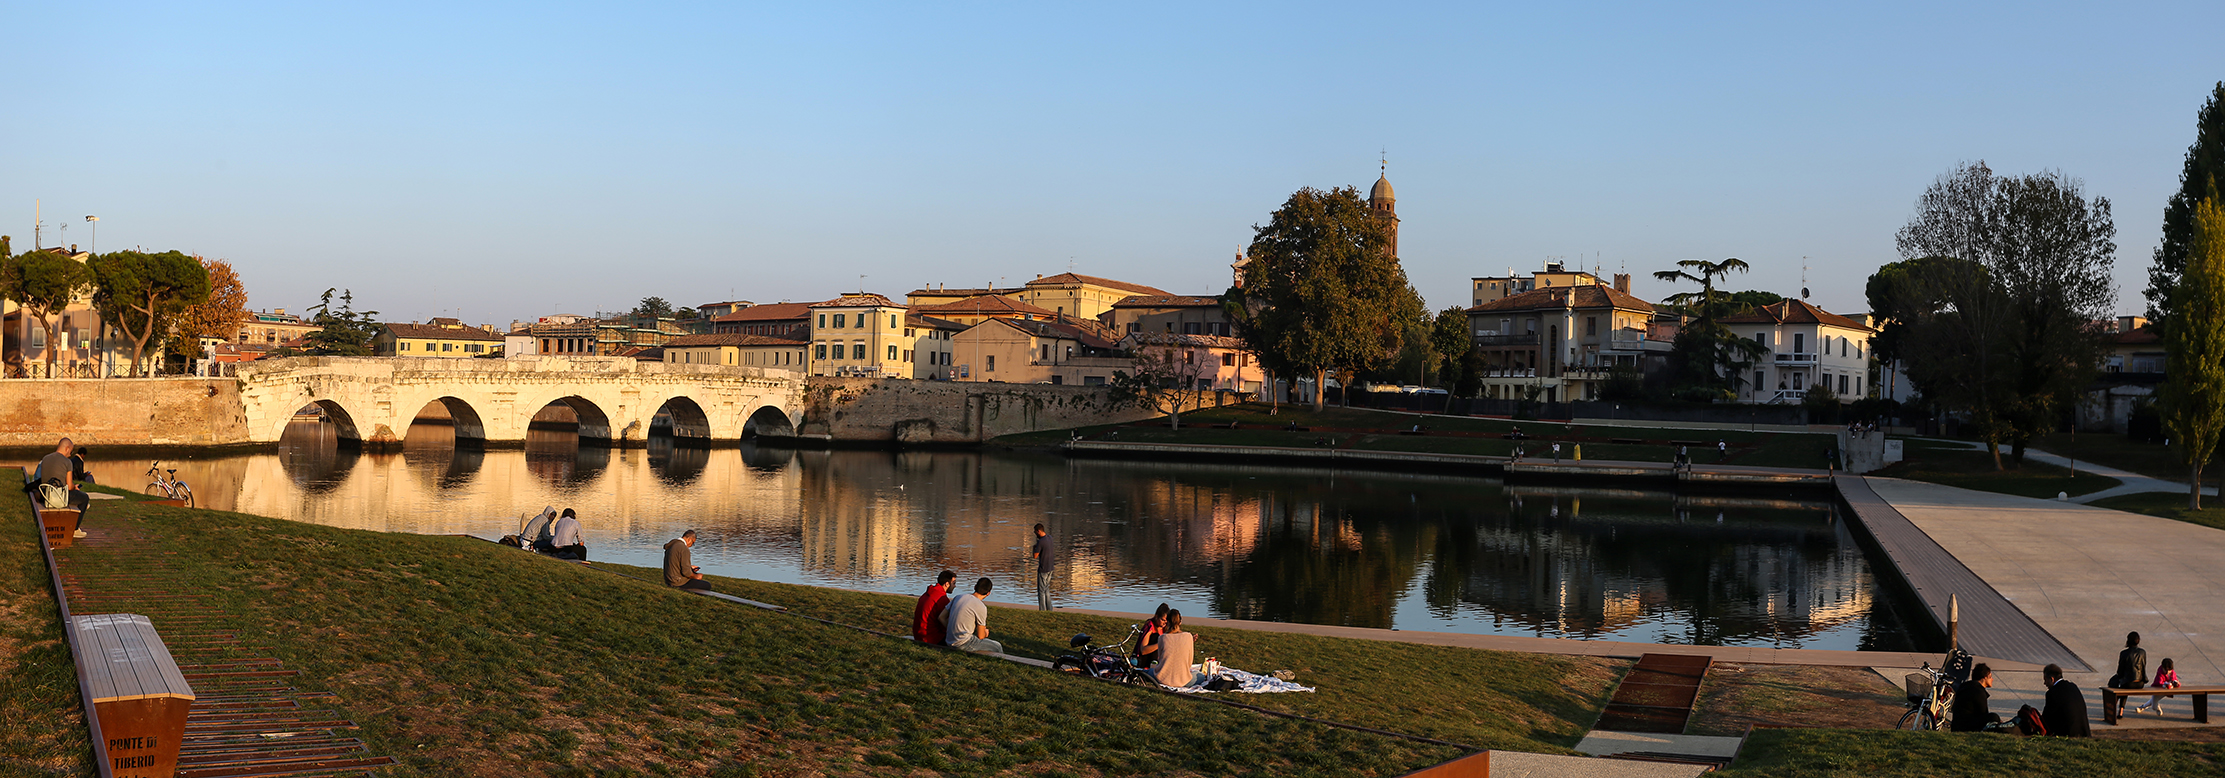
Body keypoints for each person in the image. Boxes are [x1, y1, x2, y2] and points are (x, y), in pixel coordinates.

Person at [33, 438, 90, 538]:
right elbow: (69, 485)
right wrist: (74, 487)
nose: (70, 454)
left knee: (76, 496)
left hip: (45, 493)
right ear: (67, 448)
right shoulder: (67, 462)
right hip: (58, 496)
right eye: (71, 451)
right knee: (84, 498)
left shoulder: (45, 458)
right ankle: (75, 529)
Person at [945, 577, 1002, 654]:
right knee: (997, 646)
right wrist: (985, 633)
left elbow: (941, 617)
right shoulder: (981, 606)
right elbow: (981, 636)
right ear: (988, 593)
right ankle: (999, 661)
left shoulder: (958, 597)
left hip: (948, 640)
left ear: (975, 587)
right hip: (963, 643)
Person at [2039, 663, 2091, 737]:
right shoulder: (2073, 686)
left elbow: (2047, 718)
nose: (2044, 683)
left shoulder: (2052, 693)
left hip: (2067, 734)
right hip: (2083, 732)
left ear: (2052, 679)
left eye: (2045, 680)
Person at [1153, 609, 1198, 688]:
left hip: (1162, 678)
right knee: (1200, 676)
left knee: (1147, 672)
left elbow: (1160, 659)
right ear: (1180, 622)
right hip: (1183, 680)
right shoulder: (1188, 636)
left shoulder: (1162, 638)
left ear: (1168, 622)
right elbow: (1189, 662)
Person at [1951, 663, 2001, 732]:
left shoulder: (1966, 686)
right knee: (1994, 717)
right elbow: (1983, 713)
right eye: (1990, 677)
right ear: (1984, 677)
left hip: (1956, 725)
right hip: (1965, 727)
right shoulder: (1979, 691)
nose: (1992, 679)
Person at [912, 570, 956, 645]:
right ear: (947, 584)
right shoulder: (941, 598)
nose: (955, 586)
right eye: (954, 583)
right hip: (931, 638)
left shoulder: (928, 593)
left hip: (918, 634)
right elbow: (943, 623)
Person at [2111, 631, 2149, 718]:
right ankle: (2119, 710)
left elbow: (2120, 672)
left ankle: (2119, 711)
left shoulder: (2124, 653)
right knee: (2124, 684)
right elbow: (2143, 667)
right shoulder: (2142, 652)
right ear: (2138, 640)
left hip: (2128, 683)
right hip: (2140, 683)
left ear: (2128, 641)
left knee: (2121, 684)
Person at [1131, 603, 1170, 667]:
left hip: (1158, 659)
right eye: (1162, 620)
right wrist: (1161, 643)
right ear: (1156, 616)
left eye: (1166, 621)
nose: (1164, 623)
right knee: (1156, 636)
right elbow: (1143, 650)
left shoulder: (1165, 628)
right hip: (1143, 660)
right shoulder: (1150, 626)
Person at [1031, 523, 1055, 611]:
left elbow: (1035, 556)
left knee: (1041, 591)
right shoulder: (1050, 538)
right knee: (1046, 589)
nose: (1035, 534)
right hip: (1051, 567)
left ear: (1039, 531)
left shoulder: (1040, 542)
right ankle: (1049, 609)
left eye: (1035, 532)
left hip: (1043, 568)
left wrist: (1034, 548)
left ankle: (1042, 610)